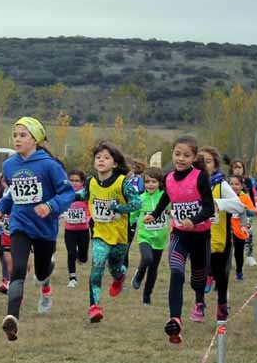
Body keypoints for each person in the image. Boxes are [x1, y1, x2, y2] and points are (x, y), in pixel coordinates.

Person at [0, 117, 74, 340]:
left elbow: (67, 194)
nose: (17, 139)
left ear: (36, 139)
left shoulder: (49, 165)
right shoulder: (9, 165)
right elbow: (12, 194)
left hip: (45, 228)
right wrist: (1, 207)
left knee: (40, 272)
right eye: (15, 135)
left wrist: (50, 206)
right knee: (17, 269)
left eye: (23, 135)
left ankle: (46, 271)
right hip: (20, 224)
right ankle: (12, 318)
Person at [145, 135, 215, 344]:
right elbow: (167, 197)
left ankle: (200, 301)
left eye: (186, 155)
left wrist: (194, 220)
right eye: (177, 154)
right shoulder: (167, 178)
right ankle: (175, 319)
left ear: (194, 158)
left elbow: (209, 207)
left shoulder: (200, 177)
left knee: (197, 279)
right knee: (176, 272)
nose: (181, 159)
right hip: (178, 235)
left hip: (200, 236)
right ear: (172, 155)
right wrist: (155, 214)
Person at [73, 141, 142, 323]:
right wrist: (67, 195)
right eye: (98, 157)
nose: (101, 160)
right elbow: (83, 195)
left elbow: (138, 204)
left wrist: (118, 208)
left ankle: (119, 277)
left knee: (115, 267)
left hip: (120, 236)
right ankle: (94, 307)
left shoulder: (122, 183)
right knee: (97, 267)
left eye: (106, 157)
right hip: (99, 234)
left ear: (115, 163)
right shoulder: (91, 182)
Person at [192, 146, 244, 322]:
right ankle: (199, 303)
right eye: (200, 162)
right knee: (198, 270)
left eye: (207, 162)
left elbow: (238, 206)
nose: (203, 165)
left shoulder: (221, 185)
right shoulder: (192, 183)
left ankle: (222, 305)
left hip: (218, 238)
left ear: (215, 165)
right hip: (198, 235)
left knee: (220, 273)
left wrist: (217, 203)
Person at [131, 167, 169, 305]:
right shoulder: (140, 199)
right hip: (144, 236)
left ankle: (147, 296)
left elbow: (173, 209)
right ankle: (139, 275)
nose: (150, 185)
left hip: (160, 238)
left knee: (153, 269)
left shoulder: (165, 197)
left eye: (153, 181)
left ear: (159, 182)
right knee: (147, 258)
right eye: (147, 182)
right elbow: (133, 215)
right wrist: (128, 225)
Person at [63, 170, 90, 288]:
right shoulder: (64, 193)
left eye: (77, 181)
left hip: (83, 230)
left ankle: (81, 257)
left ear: (82, 182)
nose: (74, 183)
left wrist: (87, 218)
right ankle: (72, 278)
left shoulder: (85, 194)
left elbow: (90, 209)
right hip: (69, 230)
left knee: (83, 258)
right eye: (72, 180)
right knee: (71, 253)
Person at [229, 159, 257, 267]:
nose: (237, 170)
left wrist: (252, 209)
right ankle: (230, 258)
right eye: (235, 167)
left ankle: (249, 256)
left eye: (239, 167)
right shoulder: (227, 182)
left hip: (246, 212)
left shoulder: (248, 181)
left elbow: (251, 196)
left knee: (248, 233)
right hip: (231, 214)